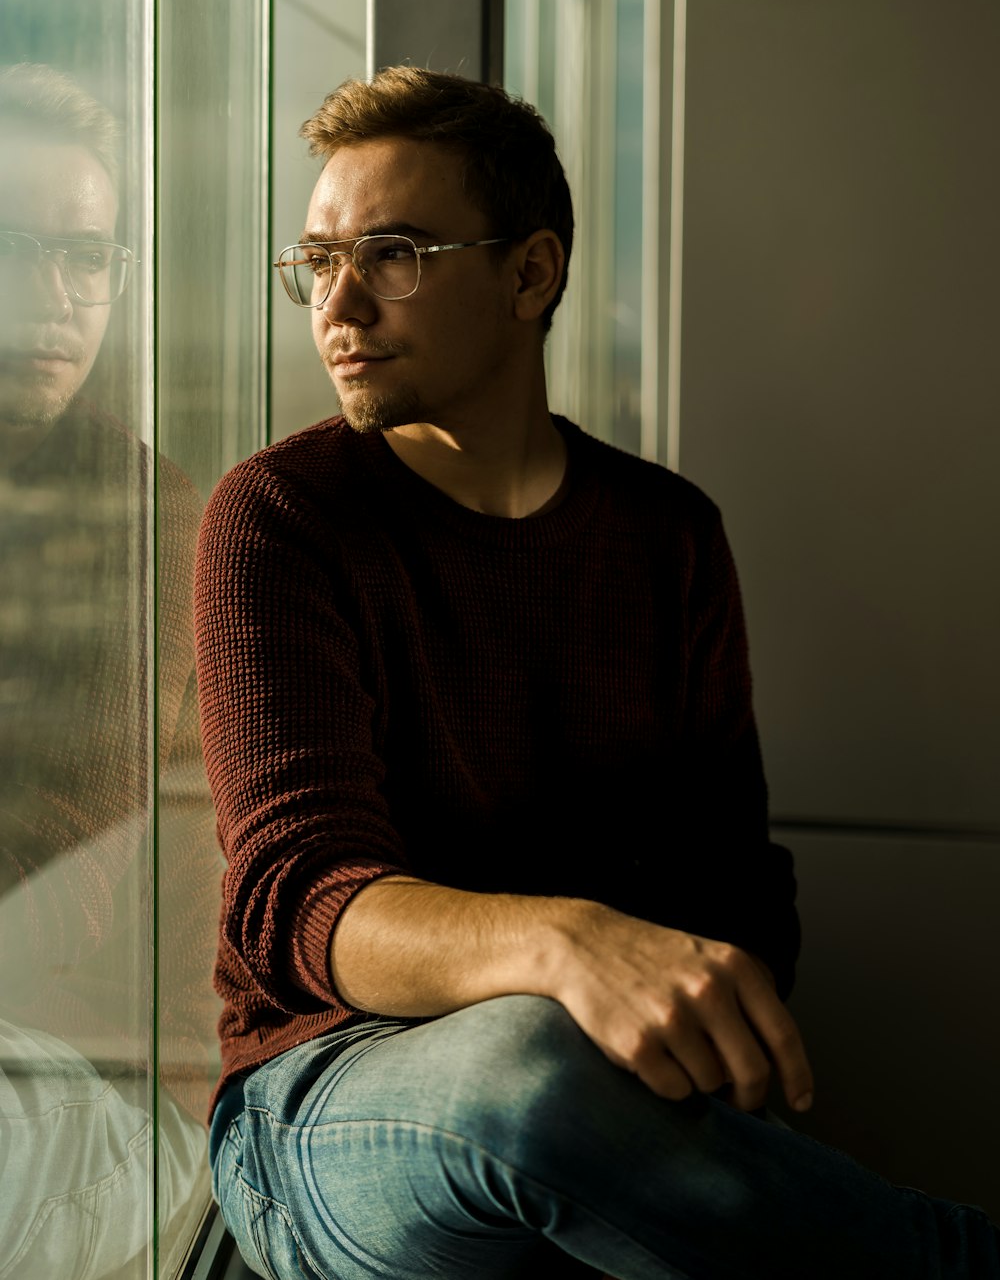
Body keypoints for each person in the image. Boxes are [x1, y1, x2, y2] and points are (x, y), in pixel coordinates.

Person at [194, 66, 999, 1280]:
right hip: (324, 1105)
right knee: (525, 1071)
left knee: (571, 1093)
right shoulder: (280, 517)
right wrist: (565, 946)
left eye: (394, 253)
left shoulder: (665, 534)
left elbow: (734, 886)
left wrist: (678, 1036)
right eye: (316, 261)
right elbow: (302, 898)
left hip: (607, 1097)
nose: (338, 304)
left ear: (530, 272)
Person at [0, 63, 214, 1277]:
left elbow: (53, 886)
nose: (54, 296)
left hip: (107, 1083)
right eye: (14, 246)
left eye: (88, 257)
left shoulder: (137, 512)